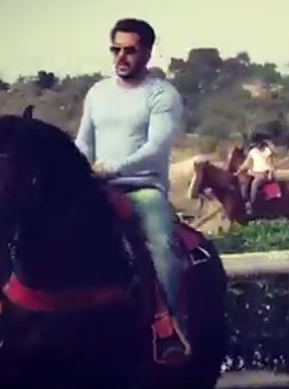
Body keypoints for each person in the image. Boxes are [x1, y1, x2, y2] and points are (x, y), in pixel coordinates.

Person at [74, 18, 189, 364]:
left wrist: (116, 167)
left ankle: (168, 328)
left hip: (143, 189)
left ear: (148, 53)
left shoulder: (162, 94)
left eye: (130, 50)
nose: (121, 57)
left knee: (162, 245)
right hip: (95, 188)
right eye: (116, 49)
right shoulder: (97, 93)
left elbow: (157, 146)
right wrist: (77, 165)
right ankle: (7, 310)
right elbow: (83, 142)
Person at [235, 135, 275, 214]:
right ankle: (245, 201)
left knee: (255, 184)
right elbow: (246, 163)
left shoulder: (267, 151)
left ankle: (252, 204)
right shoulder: (253, 151)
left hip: (264, 172)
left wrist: (270, 173)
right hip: (254, 172)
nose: (256, 146)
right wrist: (239, 170)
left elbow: (271, 164)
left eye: (257, 144)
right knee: (244, 182)